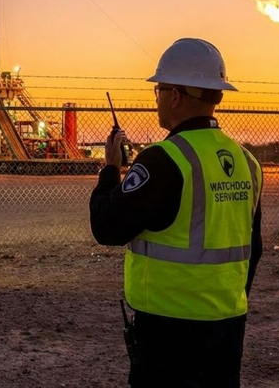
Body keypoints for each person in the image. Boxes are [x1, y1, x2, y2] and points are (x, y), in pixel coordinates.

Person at [89, 38, 263, 388]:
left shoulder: (164, 159)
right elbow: (252, 248)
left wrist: (110, 171)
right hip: (228, 325)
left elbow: (107, 227)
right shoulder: (247, 162)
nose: (156, 98)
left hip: (169, 329)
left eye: (159, 89)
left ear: (176, 96)